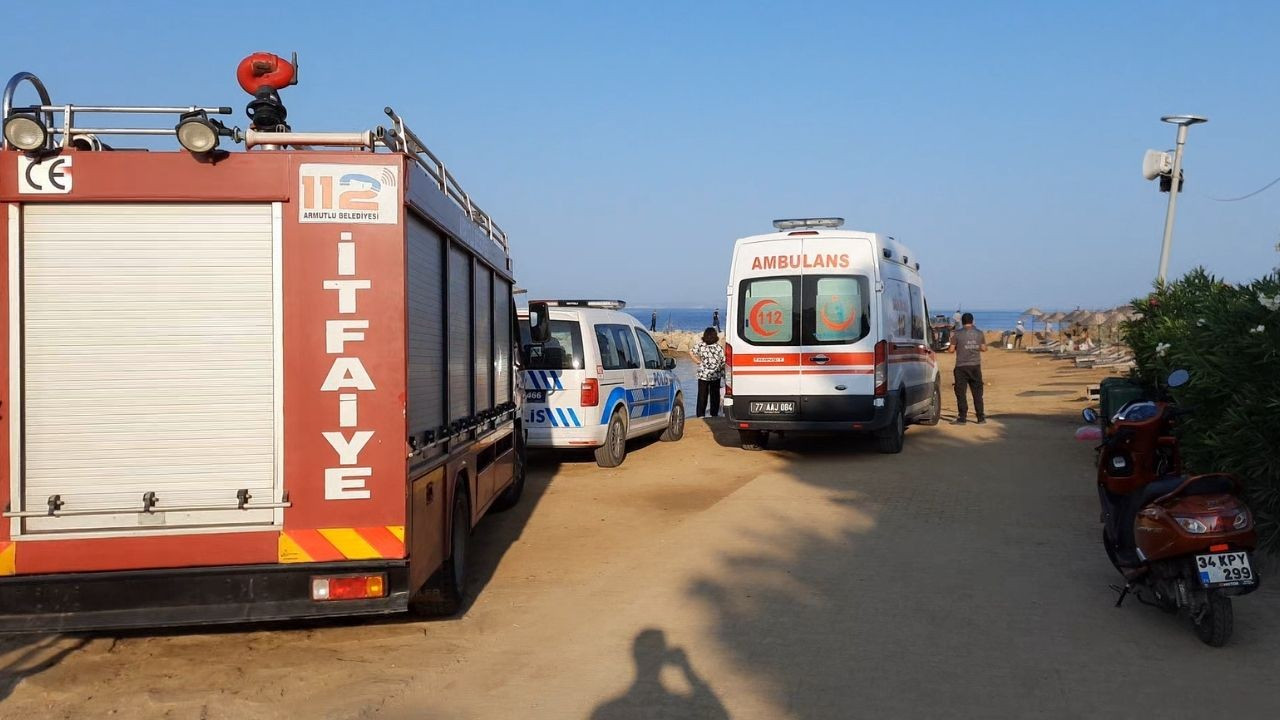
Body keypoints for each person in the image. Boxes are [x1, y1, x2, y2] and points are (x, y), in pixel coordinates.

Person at [949, 312, 986, 424]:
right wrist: (975, 347)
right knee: (977, 393)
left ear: (962, 321)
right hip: (975, 366)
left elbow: (951, 350)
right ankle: (980, 417)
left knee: (961, 393)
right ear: (972, 321)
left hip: (961, 367)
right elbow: (984, 348)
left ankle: (962, 418)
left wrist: (957, 346)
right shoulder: (979, 333)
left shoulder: (957, 334)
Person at [689, 327, 725, 417]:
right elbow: (723, 361)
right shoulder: (718, 348)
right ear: (715, 336)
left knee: (702, 395)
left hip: (703, 374)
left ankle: (700, 414)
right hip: (715, 374)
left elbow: (691, 352)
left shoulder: (701, 345)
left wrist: (697, 361)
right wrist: (722, 371)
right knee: (715, 395)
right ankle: (714, 414)